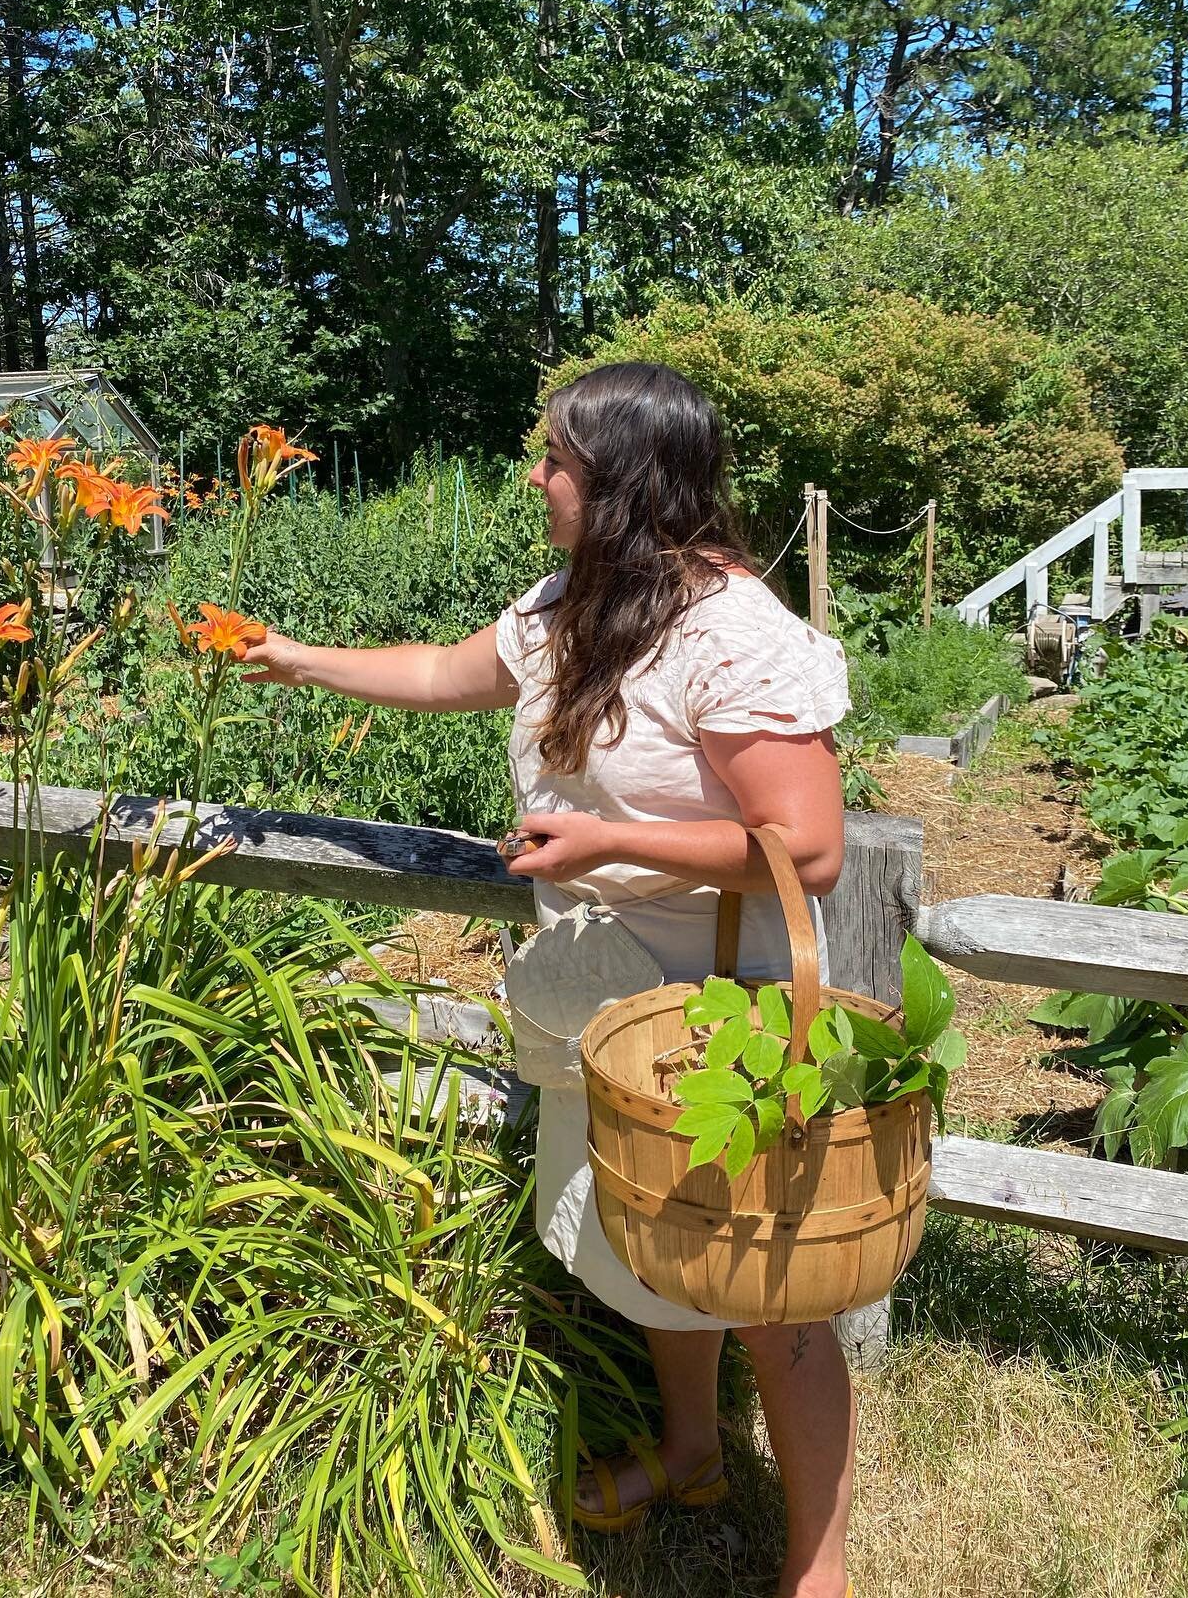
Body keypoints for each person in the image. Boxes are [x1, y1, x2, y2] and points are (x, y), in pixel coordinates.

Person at [241, 362, 854, 1598]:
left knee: (770, 1296)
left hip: (721, 1002)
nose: (538, 477)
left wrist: (616, 840)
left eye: (559, 459)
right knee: (653, 1244)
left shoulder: (730, 633)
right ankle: (692, 1454)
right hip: (611, 992)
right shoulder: (571, 606)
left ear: (624, 480)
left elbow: (813, 850)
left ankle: (820, 1571)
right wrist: (299, 658)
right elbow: (439, 673)